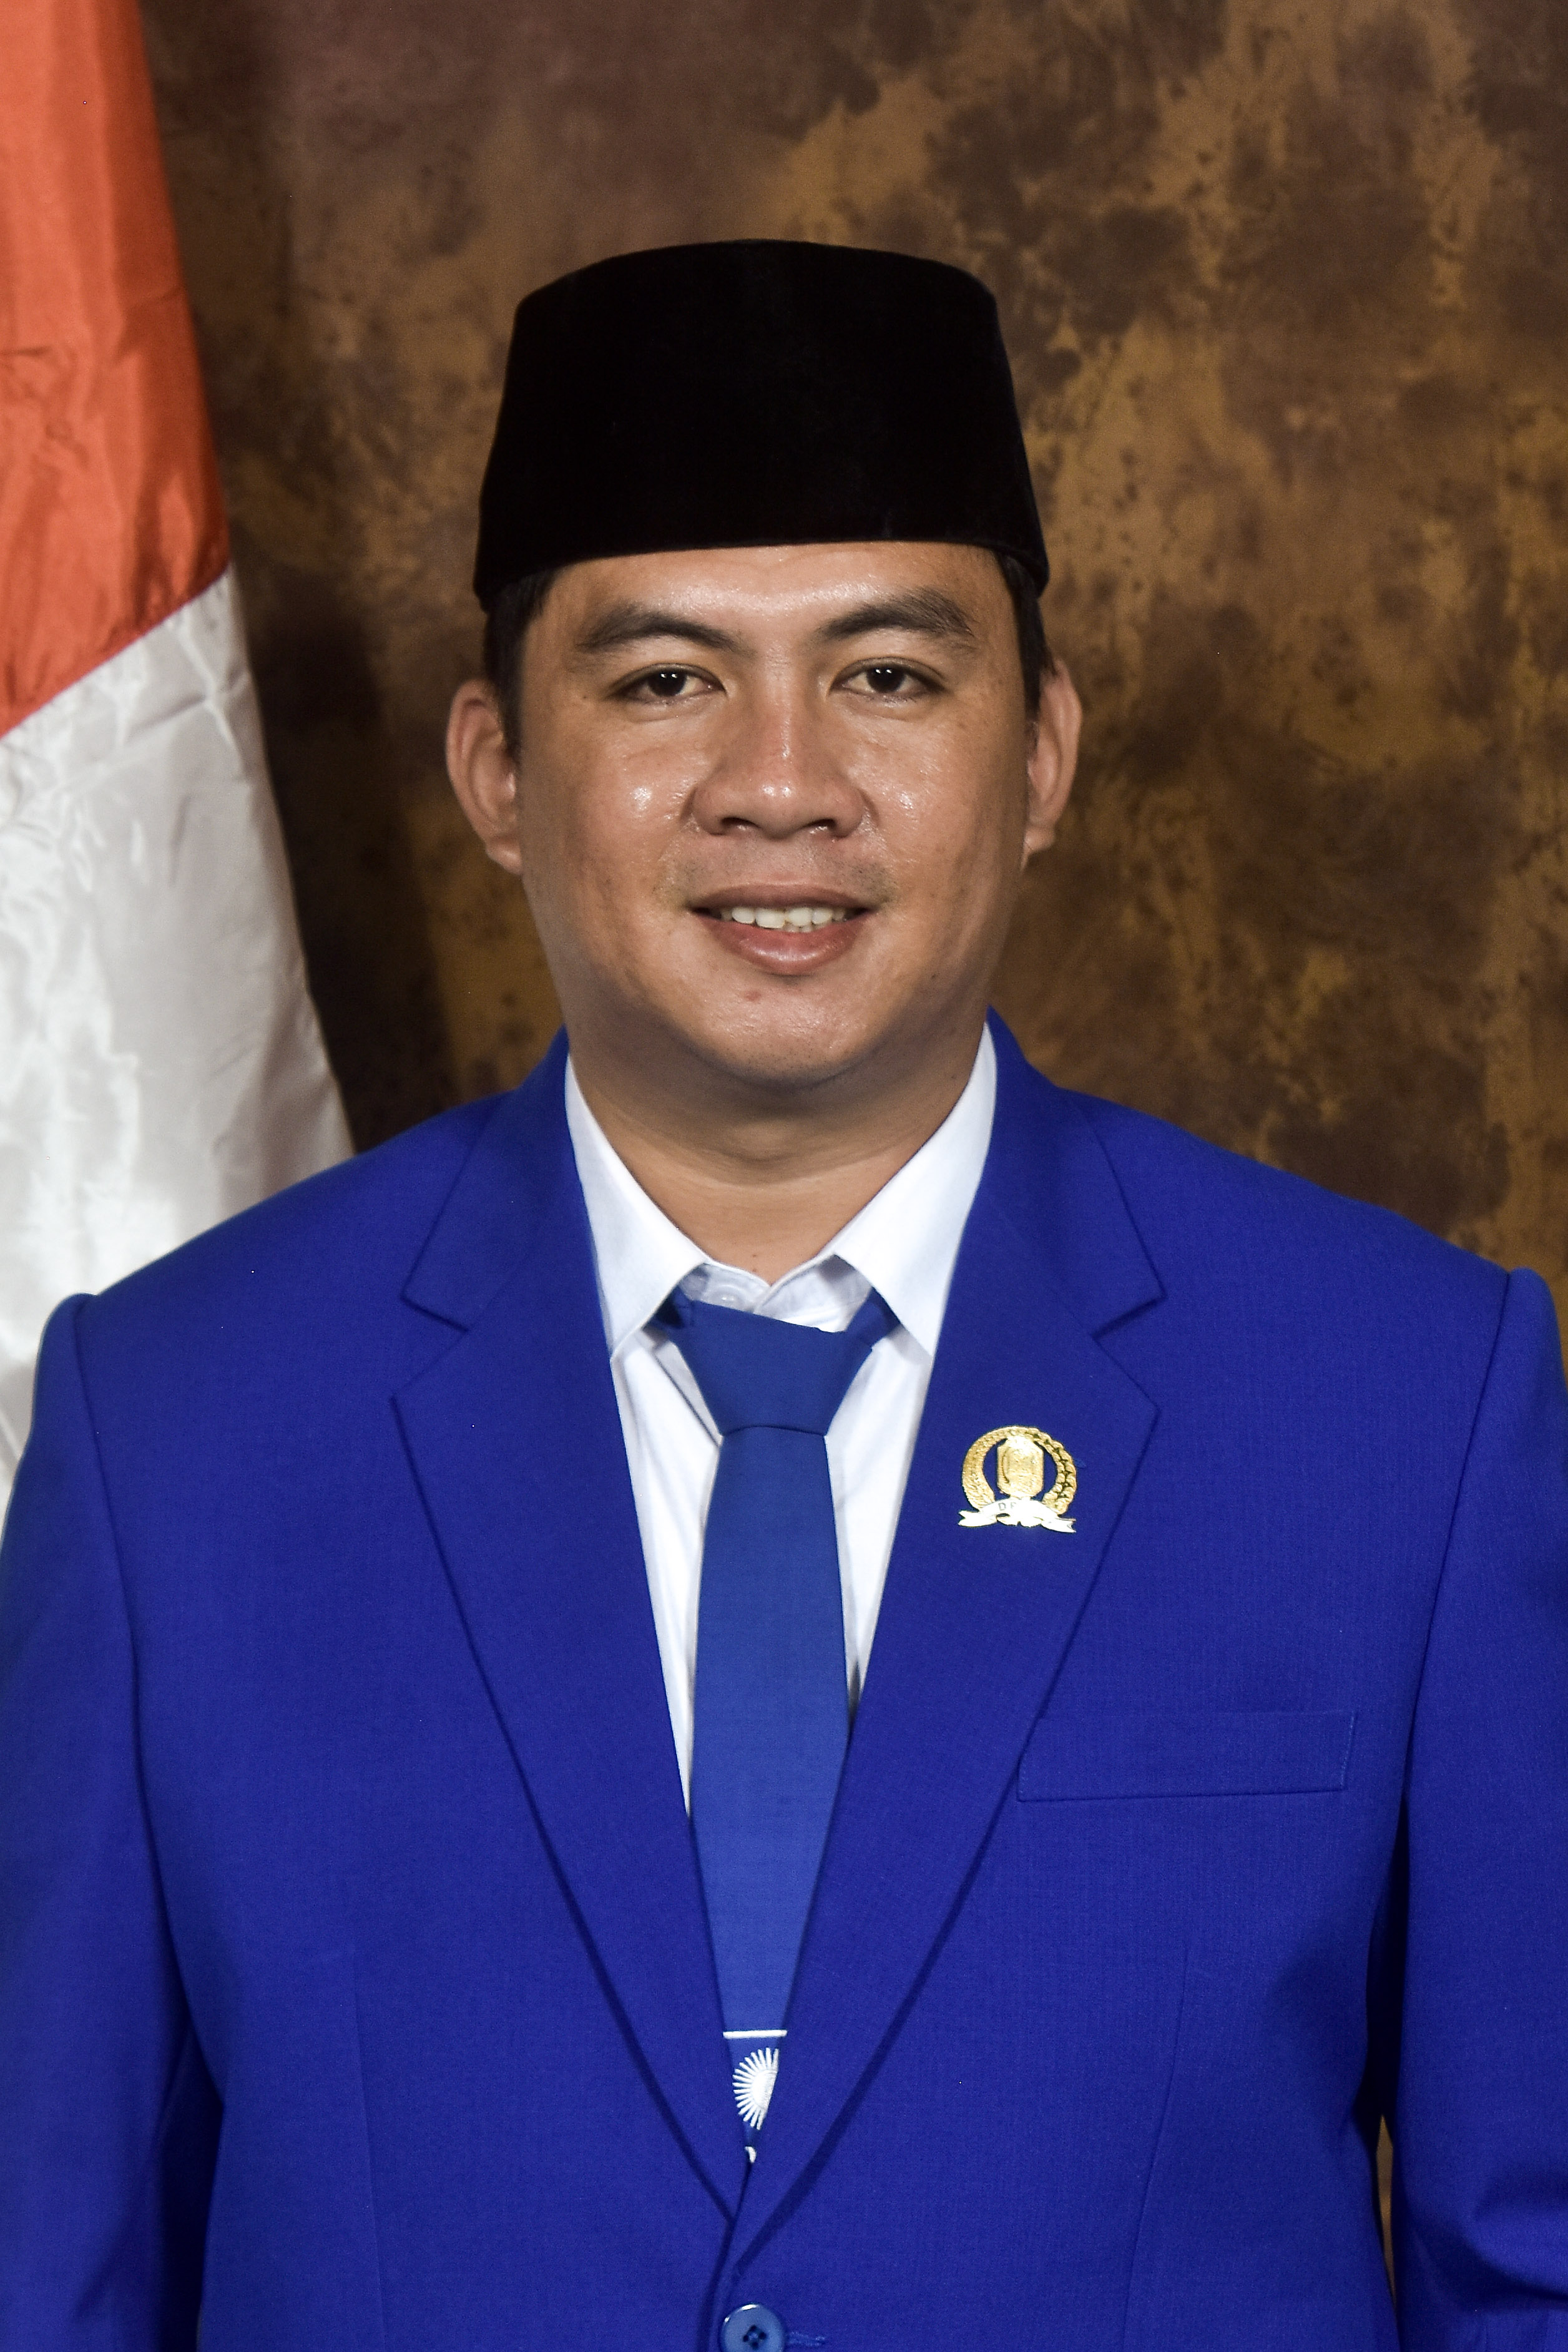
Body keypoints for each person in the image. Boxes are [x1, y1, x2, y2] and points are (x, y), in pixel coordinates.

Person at [1, 238, 1564, 2352]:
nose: (782, 780)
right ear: (492, 767)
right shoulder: (172, 1427)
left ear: (1043, 754)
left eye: (890, 676)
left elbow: (1531, 2271)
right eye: (665, 681)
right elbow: (52, 2271)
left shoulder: (1403, 1404)